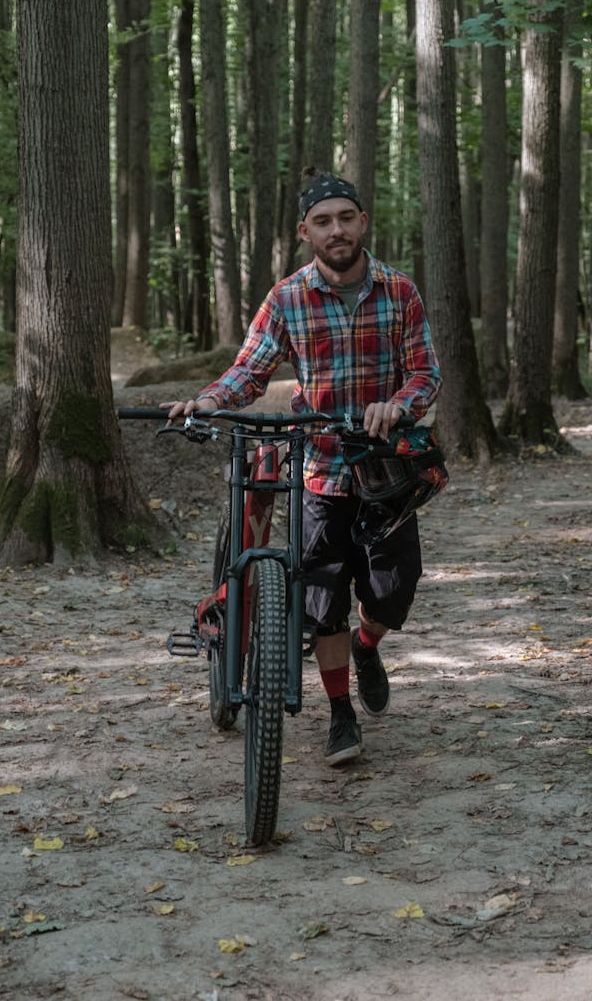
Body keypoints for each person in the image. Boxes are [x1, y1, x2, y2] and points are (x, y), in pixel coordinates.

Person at [163, 168, 442, 766]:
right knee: (322, 598)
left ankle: (369, 645)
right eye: (323, 222)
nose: (336, 230)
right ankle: (341, 716)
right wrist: (210, 399)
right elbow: (250, 369)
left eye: (346, 218)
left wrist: (399, 404)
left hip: (384, 470)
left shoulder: (400, 292)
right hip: (317, 471)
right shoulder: (287, 297)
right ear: (305, 232)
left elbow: (425, 371)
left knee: (394, 592)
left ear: (363, 222)